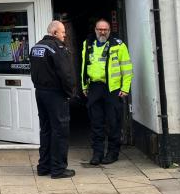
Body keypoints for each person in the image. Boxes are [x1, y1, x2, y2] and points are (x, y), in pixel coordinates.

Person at [80, 19, 133, 165]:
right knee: (96, 123)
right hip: (94, 88)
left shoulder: (118, 45)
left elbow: (127, 67)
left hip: (113, 89)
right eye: (100, 29)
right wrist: (84, 85)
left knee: (113, 122)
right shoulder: (88, 43)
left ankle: (112, 153)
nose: (102, 32)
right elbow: (84, 65)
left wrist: (125, 87)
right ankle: (97, 154)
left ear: (109, 30)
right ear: (95, 30)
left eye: (105, 29)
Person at [29, 20, 76, 179]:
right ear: (54, 32)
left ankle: (44, 166)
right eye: (62, 32)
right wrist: (70, 92)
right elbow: (66, 73)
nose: (64, 35)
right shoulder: (57, 48)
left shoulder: (36, 47)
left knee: (46, 129)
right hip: (55, 94)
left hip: (40, 93)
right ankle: (58, 169)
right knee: (60, 131)